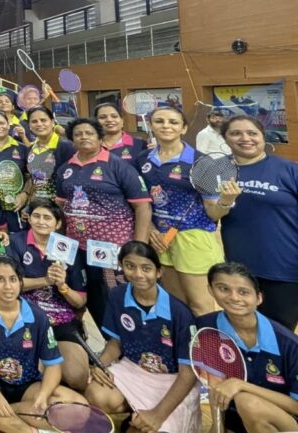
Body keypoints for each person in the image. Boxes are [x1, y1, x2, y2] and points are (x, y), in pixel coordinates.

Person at [0, 254, 87, 433]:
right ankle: (24, 429)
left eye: (13, 279)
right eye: (0, 279)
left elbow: (53, 365)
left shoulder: (38, 316)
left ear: (20, 281)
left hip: (27, 387)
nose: (8, 287)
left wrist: (43, 395)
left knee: (80, 408)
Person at [83, 241, 200, 433]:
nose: (138, 274)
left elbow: (188, 373)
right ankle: (134, 415)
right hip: (134, 369)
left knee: (157, 427)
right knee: (96, 394)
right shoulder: (117, 295)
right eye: (130, 266)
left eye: (146, 268)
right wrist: (100, 365)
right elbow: (115, 343)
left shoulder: (180, 313)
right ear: (121, 266)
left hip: (171, 380)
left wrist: (158, 415)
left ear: (159, 272)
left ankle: (140, 420)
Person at [55, 118, 152, 325]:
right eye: (78, 134)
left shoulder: (118, 166)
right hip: (78, 249)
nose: (84, 137)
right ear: (72, 140)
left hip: (113, 249)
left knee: (116, 299)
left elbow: (142, 206)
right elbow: (61, 208)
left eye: (89, 133)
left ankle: (125, 339)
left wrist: (139, 247)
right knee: (91, 299)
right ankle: (106, 340)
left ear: (100, 137)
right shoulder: (65, 169)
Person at [139, 107, 231, 316]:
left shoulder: (202, 163)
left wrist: (226, 201)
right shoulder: (143, 159)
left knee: (200, 305)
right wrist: (151, 229)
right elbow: (143, 202)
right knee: (175, 304)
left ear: (184, 128)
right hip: (160, 239)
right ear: (151, 126)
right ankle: (183, 337)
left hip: (193, 238)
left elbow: (213, 213)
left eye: (173, 122)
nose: (166, 126)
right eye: (159, 121)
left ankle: (205, 338)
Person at [197, 262, 298, 433]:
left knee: (248, 403)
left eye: (243, 292)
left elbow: (296, 407)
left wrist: (241, 385)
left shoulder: (289, 344)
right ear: (211, 290)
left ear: (259, 298)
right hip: (237, 420)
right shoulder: (205, 328)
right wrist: (217, 427)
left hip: (287, 421)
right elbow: (214, 385)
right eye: (223, 289)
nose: (234, 297)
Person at [218, 115, 298, 329]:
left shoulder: (288, 170)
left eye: (252, 133)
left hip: (285, 269)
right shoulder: (219, 172)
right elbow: (210, 215)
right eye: (236, 133)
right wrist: (225, 201)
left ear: (263, 137)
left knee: (278, 333)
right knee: (241, 329)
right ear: (225, 138)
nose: (245, 138)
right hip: (238, 270)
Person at [6, 199, 89, 391]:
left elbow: (80, 301)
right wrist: (46, 280)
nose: (41, 221)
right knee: (30, 375)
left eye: (47, 217)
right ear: (29, 218)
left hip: (62, 321)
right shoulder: (15, 242)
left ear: (57, 223)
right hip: (27, 317)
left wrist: (62, 286)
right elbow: (10, 285)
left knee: (77, 377)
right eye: (36, 216)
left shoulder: (69, 248)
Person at [25, 106, 76, 201]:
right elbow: (32, 179)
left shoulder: (66, 146)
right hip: (37, 204)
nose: (39, 124)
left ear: (52, 122)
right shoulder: (30, 149)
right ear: (29, 126)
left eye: (43, 120)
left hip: (60, 205)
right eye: (34, 121)